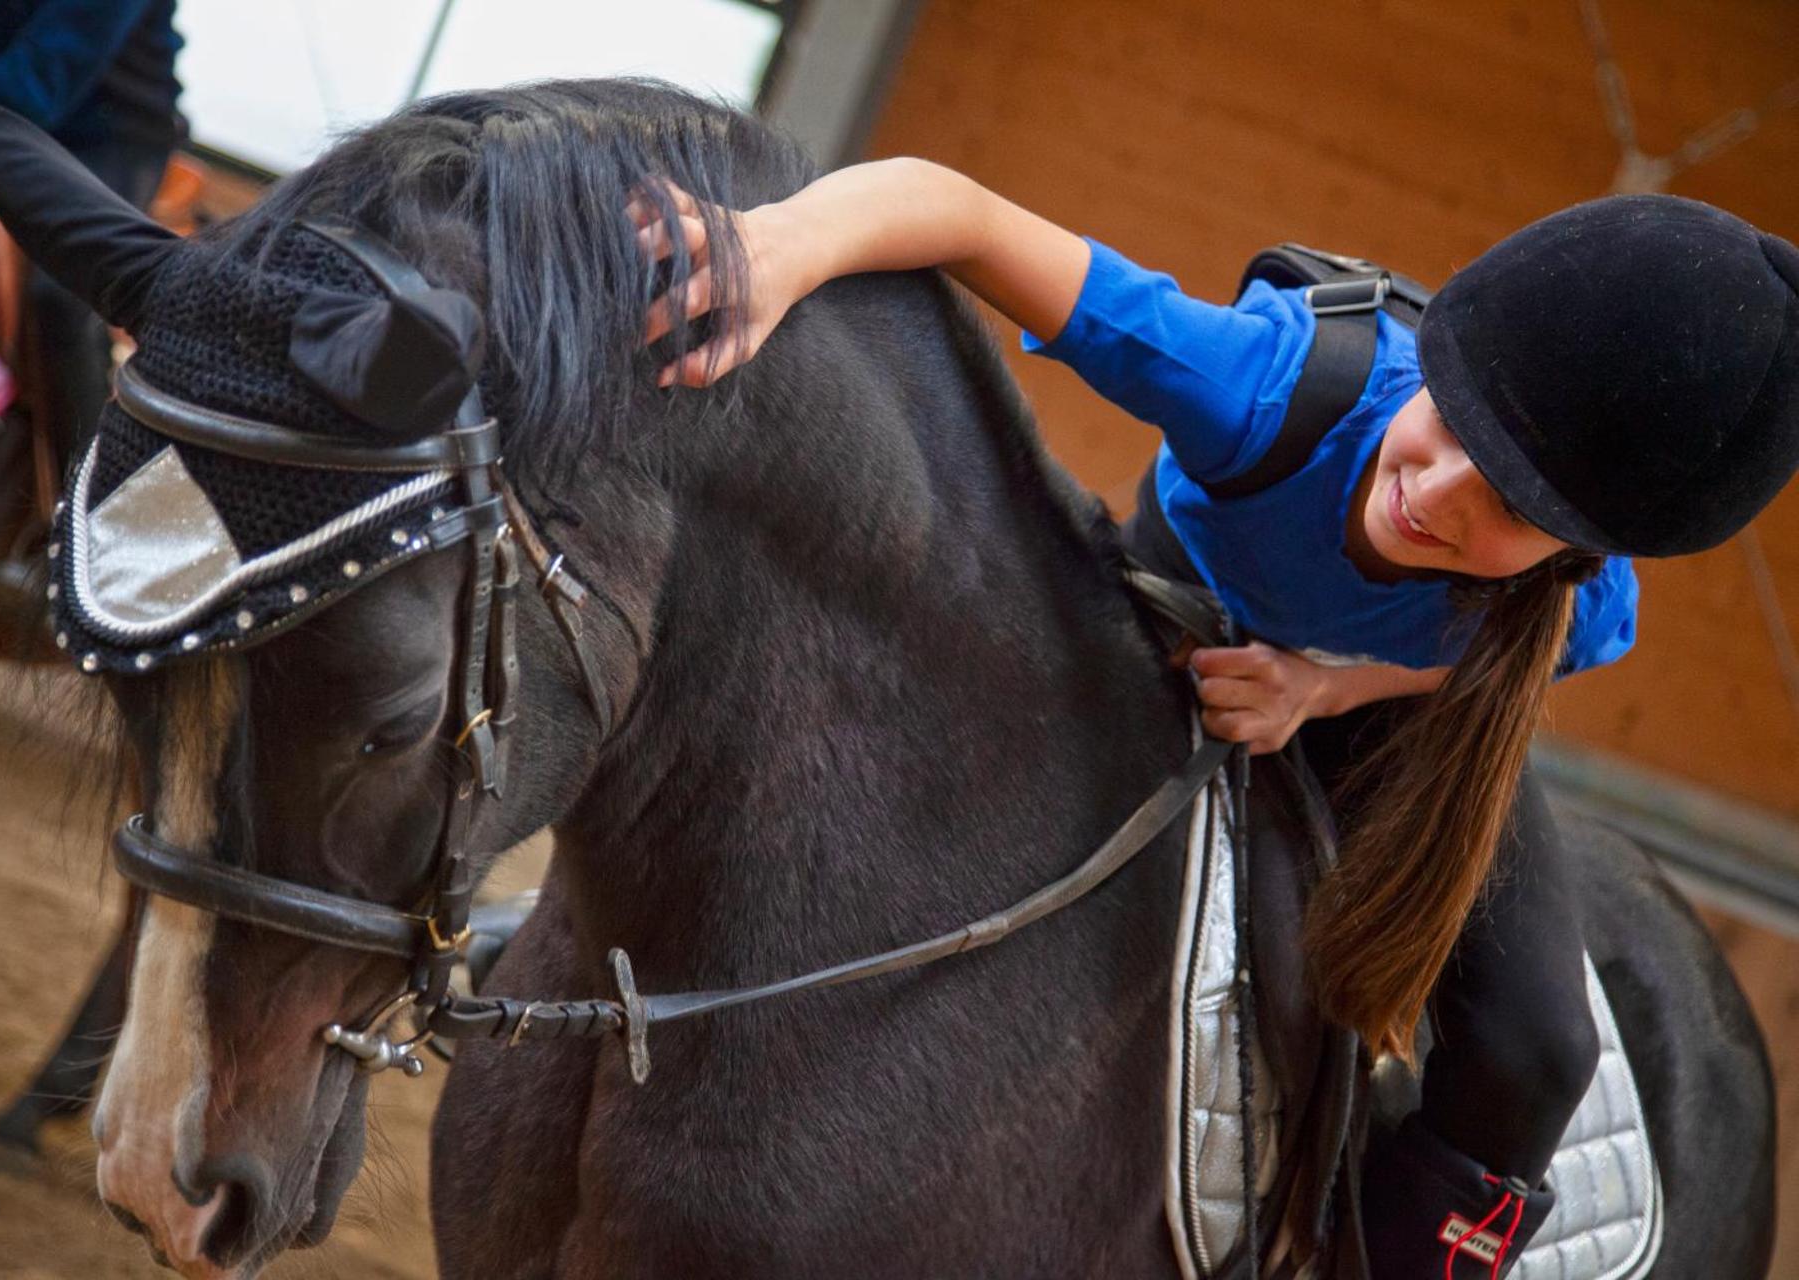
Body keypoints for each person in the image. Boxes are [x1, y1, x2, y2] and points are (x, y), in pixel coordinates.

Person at [632, 163, 1799, 1276]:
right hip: (1154, 618)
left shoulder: (1581, 602)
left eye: (1507, 508)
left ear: (1567, 552)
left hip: (1376, 717)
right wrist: (775, 241)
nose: (1433, 498)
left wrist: (1329, 685)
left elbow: (1505, 666)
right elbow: (965, 213)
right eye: (1454, 431)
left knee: (1541, 1048)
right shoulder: (1261, 387)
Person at [0, 0, 182, 464]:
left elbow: (32, 89)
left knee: (58, 297)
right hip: (7, 109)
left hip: (106, 139)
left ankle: (84, 484)